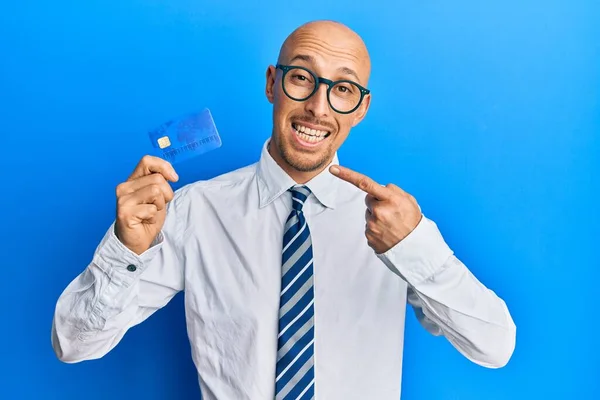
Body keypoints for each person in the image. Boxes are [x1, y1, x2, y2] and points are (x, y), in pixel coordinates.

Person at [51, 20, 516, 400]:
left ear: (361, 109)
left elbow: (495, 346)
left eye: (344, 90)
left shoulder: (395, 228)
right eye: (301, 78)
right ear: (273, 84)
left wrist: (415, 249)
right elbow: (73, 344)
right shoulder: (195, 210)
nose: (318, 107)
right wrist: (124, 250)